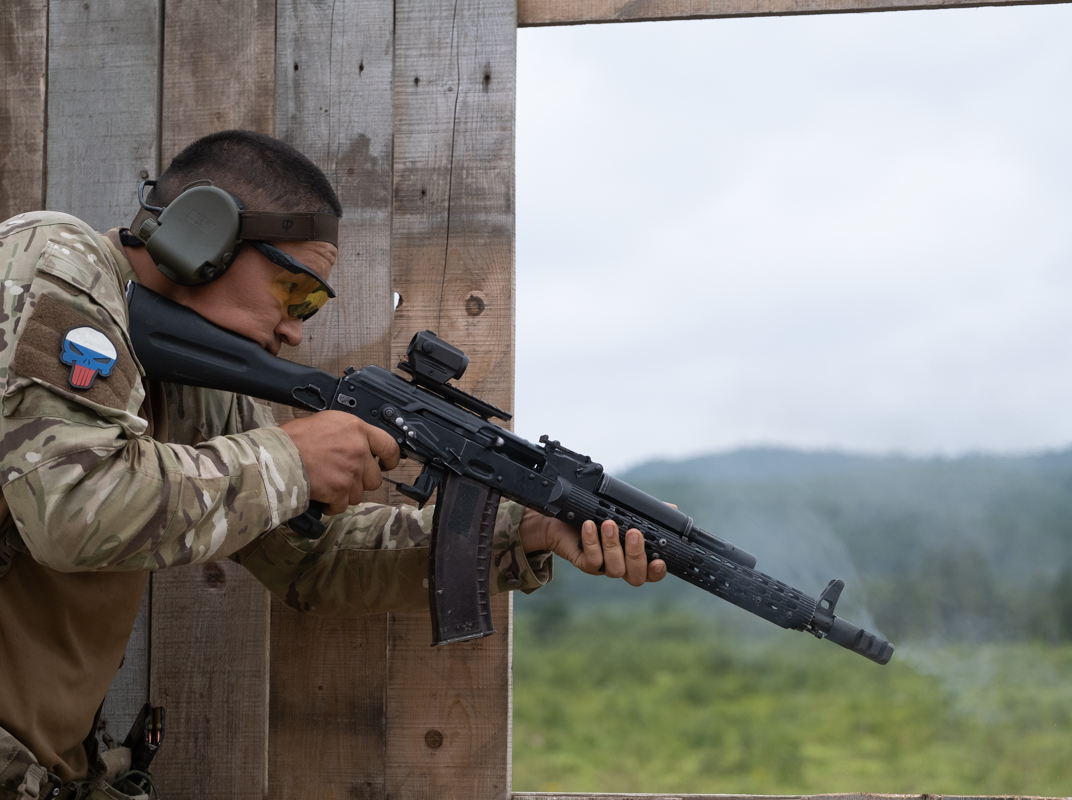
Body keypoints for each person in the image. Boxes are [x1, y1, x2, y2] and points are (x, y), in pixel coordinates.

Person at [0, 130, 666, 798]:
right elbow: (69, 508)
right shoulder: (53, 260)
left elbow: (310, 560)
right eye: (294, 291)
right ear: (204, 238)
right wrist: (292, 459)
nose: (295, 329)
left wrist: (523, 533)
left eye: (311, 306)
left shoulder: (202, 383)